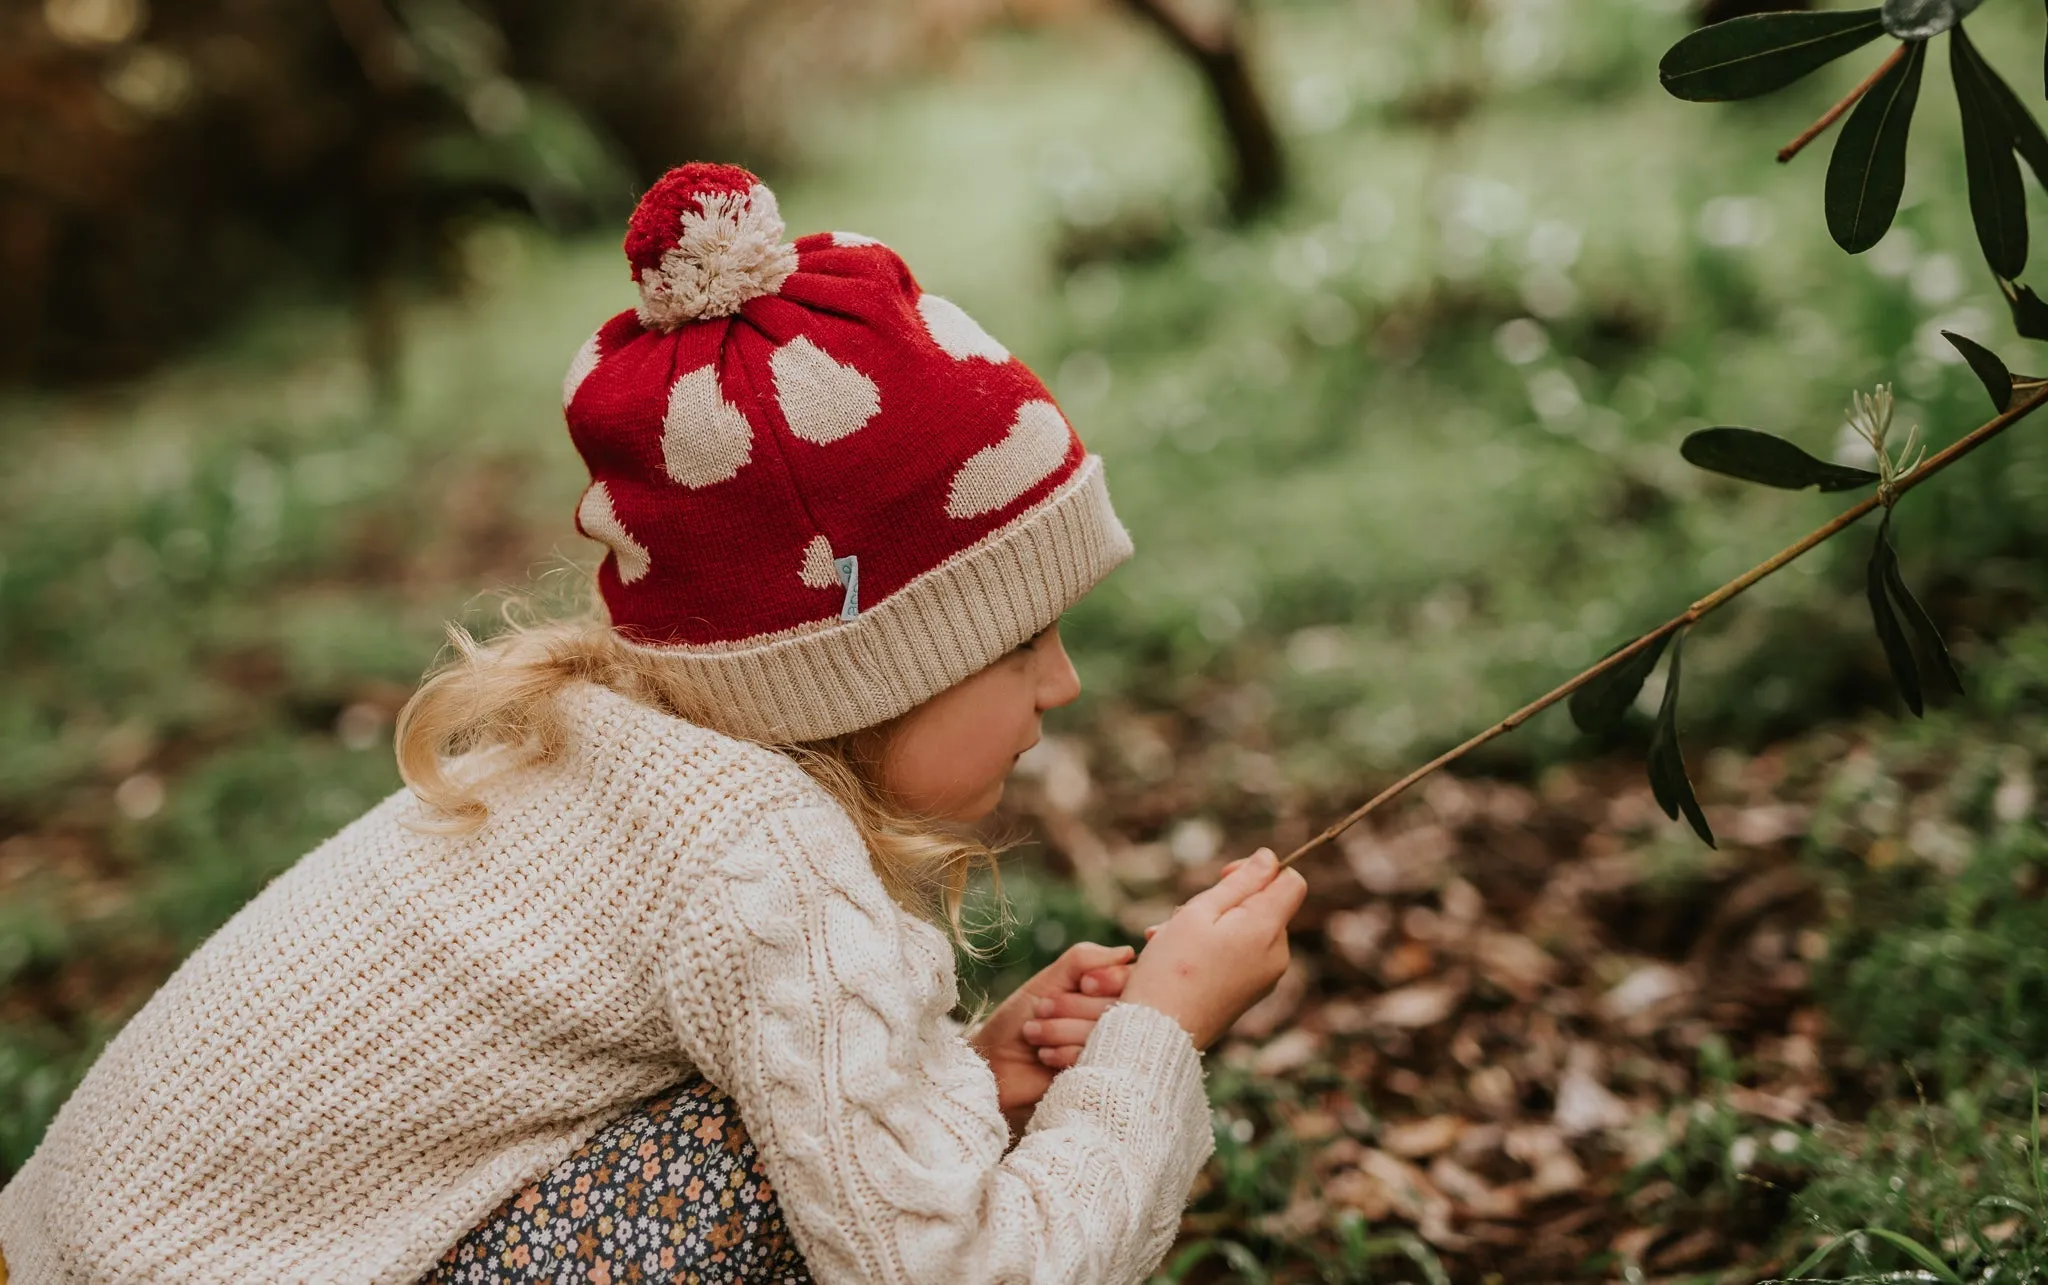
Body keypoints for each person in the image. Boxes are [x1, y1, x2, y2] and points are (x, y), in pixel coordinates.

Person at [0, 162, 1307, 1284]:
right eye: (1021, 642)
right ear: (869, 668)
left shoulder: (630, 754)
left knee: (766, 1148)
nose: (1062, 684)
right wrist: (1156, 1042)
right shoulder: (763, 858)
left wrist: (970, 1076)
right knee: (738, 1181)